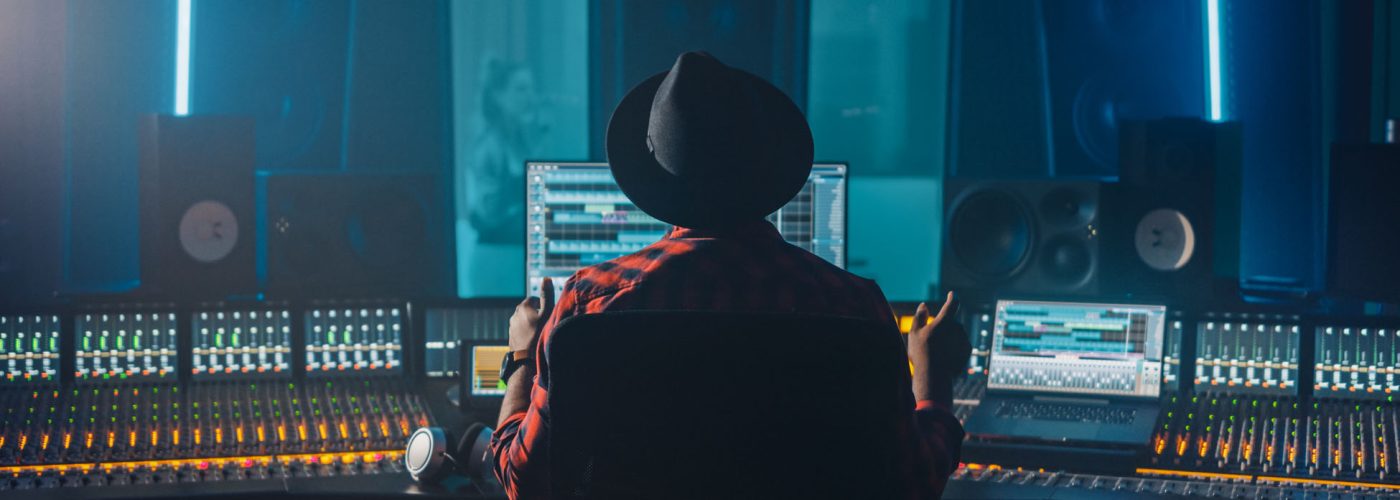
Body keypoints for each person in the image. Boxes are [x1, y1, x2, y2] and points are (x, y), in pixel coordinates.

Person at [490, 52, 970, 499]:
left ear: (653, 176)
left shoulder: (587, 304)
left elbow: (524, 483)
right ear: (769, 171)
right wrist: (931, 370)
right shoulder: (856, 307)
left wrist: (521, 358)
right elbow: (915, 484)